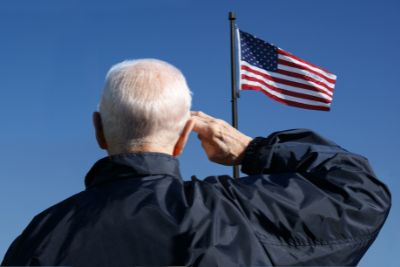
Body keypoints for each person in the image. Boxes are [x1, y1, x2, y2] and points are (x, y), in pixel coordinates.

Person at [1, 59, 391, 267]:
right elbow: (359, 192)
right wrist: (251, 150)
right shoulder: (233, 215)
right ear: (186, 135)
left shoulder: (41, 236)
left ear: (99, 130)